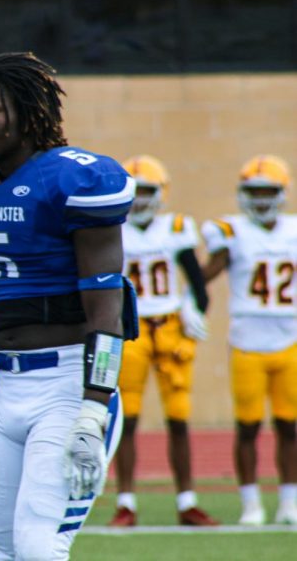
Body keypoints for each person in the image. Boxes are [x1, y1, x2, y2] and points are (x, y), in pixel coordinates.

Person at [0, 52, 132, 559]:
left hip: (68, 386)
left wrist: (94, 406)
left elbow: (107, 315)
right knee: (4, 549)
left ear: (27, 112)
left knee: (40, 546)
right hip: (5, 387)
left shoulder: (75, 181)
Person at [108, 155, 219, 527]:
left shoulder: (176, 227)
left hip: (171, 328)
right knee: (128, 418)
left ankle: (187, 500)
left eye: (147, 191)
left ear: (162, 193)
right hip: (130, 330)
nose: (140, 200)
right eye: (135, 192)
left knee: (178, 418)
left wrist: (194, 307)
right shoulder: (113, 229)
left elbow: (198, 283)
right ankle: (126, 503)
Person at [202, 154, 297, 526]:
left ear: (281, 192)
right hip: (247, 339)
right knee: (247, 426)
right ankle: (251, 503)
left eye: (267, 191)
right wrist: (191, 301)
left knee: (290, 426)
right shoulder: (230, 231)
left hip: (290, 337)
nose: (260, 198)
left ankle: (289, 502)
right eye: (254, 191)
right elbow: (209, 271)